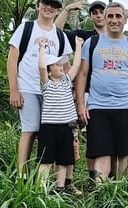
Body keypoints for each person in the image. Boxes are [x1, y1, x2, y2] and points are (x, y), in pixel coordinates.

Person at [56, 0, 128, 182]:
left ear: (124, 20)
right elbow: (82, 74)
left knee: (122, 152)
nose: (114, 20)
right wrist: (81, 104)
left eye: (118, 16)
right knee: (101, 151)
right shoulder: (92, 43)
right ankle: (100, 188)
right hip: (98, 107)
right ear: (105, 19)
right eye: (110, 16)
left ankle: (119, 189)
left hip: (126, 106)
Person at [7, 0, 73, 175]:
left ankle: (47, 174)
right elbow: (12, 59)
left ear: (58, 10)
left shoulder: (60, 36)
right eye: (45, 3)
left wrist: (68, 93)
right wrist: (14, 89)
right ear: (38, 6)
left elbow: (66, 66)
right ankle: (22, 174)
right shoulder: (26, 28)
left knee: (50, 130)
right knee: (30, 129)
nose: (49, 8)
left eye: (54, 6)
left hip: (52, 91)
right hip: (27, 86)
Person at [36, 38, 82, 195]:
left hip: (67, 126)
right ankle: (40, 189)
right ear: (49, 71)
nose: (61, 66)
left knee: (64, 160)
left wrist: (78, 46)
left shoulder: (67, 81)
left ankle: (60, 188)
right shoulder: (46, 84)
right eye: (56, 65)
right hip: (49, 127)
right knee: (46, 160)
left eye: (60, 64)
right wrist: (42, 48)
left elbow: (76, 65)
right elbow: (41, 66)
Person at [55, 0, 128, 44]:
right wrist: (67, 9)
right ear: (90, 17)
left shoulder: (121, 39)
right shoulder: (83, 36)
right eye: (95, 13)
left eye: (102, 12)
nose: (99, 15)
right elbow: (55, 34)